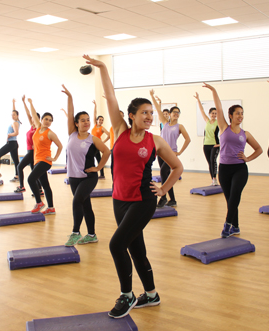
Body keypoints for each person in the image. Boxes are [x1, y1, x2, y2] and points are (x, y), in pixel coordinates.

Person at [84, 55, 183, 319]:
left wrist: (162, 190)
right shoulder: (119, 129)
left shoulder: (156, 141)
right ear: (132, 116)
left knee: (116, 245)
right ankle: (151, 294)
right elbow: (110, 95)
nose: (150, 117)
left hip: (142, 200)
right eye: (145, 113)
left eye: (152, 113)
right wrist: (103, 67)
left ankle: (127, 295)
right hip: (119, 200)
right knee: (135, 248)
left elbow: (178, 168)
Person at [202, 82, 263, 238]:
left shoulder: (245, 133)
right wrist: (214, 90)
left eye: (242, 113)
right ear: (231, 115)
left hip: (240, 169)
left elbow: (259, 149)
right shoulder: (223, 127)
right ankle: (236, 227)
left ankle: (227, 225)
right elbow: (219, 107)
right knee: (230, 200)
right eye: (237, 113)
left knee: (235, 196)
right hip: (224, 169)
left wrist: (248, 158)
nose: (240, 116)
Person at [61, 86, 110, 246]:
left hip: (88, 177)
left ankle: (75, 232)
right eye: (83, 120)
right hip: (73, 177)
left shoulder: (93, 139)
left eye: (88, 120)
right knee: (85, 205)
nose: (86, 122)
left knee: (76, 201)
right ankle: (92, 234)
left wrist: (98, 168)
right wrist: (70, 97)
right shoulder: (72, 133)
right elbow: (70, 113)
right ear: (76, 123)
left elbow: (107, 151)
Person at [150, 90, 191, 208]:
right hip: (160, 153)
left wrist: (180, 152)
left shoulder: (180, 126)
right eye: (174, 112)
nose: (176, 114)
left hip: (171, 153)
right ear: (170, 114)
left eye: (178, 113)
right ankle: (172, 199)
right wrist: (152, 96)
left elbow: (188, 139)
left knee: (164, 172)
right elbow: (158, 110)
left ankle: (163, 197)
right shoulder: (165, 123)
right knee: (166, 176)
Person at [27, 98, 63, 215]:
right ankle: (51, 208)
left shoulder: (50, 133)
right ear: (41, 120)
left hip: (45, 161)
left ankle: (39, 203)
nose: (48, 121)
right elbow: (33, 114)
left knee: (31, 179)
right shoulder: (37, 128)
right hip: (37, 160)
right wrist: (31, 103)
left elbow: (60, 146)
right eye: (46, 119)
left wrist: (55, 158)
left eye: (50, 120)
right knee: (45, 185)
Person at [14, 96, 42, 195]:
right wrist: (24, 102)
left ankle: (21, 186)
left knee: (19, 167)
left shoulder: (39, 128)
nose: (32, 119)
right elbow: (28, 113)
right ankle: (39, 190)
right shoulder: (32, 126)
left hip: (32, 152)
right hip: (29, 151)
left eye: (35, 118)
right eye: (32, 118)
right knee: (34, 171)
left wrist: (31, 103)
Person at [194, 92, 220, 186]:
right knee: (210, 163)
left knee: (213, 161)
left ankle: (215, 179)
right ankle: (213, 180)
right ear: (209, 114)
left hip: (215, 145)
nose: (214, 115)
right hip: (206, 145)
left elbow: (225, 132)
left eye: (215, 113)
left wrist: (220, 144)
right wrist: (198, 99)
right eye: (212, 113)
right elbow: (201, 110)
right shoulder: (207, 121)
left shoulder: (218, 123)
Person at [0, 99, 20, 181]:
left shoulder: (15, 123)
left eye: (14, 115)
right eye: (11, 115)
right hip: (14, 143)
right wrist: (13, 103)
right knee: (16, 161)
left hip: (11, 143)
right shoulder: (17, 121)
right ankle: (17, 176)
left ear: (17, 115)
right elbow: (14, 111)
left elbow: (16, 133)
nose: (12, 116)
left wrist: (9, 135)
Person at [91, 100, 110, 179]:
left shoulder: (102, 128)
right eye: (100, 120)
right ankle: (94, 173)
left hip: (97, 145)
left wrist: (103, 142)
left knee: (99, 159)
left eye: (102, 120)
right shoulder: (95, 125)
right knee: (91, 158)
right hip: (91, 144)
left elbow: (109, 135)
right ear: (97, 120)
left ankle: (102, 175)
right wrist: (95, 105)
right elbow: (94, 114)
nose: (101, 121)